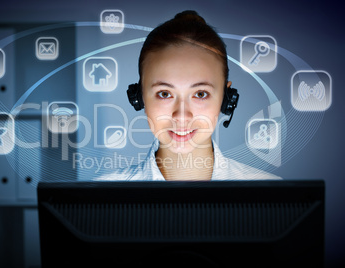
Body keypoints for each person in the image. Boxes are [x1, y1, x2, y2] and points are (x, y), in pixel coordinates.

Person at [96, 10, 281, 181]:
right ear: (139, 96)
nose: (182, 115)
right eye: (164, 93)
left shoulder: (271, 194)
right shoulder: (101, 196)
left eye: (200, 94)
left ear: (226, 99)